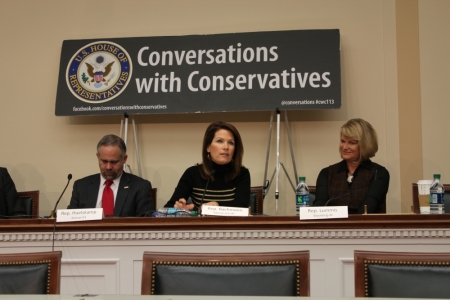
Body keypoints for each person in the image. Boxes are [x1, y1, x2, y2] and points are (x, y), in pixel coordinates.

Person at [164, 121, 251, 210]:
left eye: (231, 143)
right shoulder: (192, 173)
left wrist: (217, 206)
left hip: (231, 224)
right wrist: (180, 209)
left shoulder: (241, 174)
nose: (226, 147)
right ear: (208, 147)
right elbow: (168, 207)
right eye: (220, 141)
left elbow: (242, 208)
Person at [313, 118, 389, 213]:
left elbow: (368, 209)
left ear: (365, 144)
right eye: (343, 141)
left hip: (365, 226)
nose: (344, 147)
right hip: (332, 226)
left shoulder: (379, 173)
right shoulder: (327, 173)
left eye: (351, 143)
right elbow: (318, 209)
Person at [68, 134, 155, 217]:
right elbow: (69, 222)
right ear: (98, 157)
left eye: (114, 162)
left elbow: (145, 225)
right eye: (104, 161)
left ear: (124, 159)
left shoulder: (140, 187)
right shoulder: (81, 186)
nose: (108, 167)